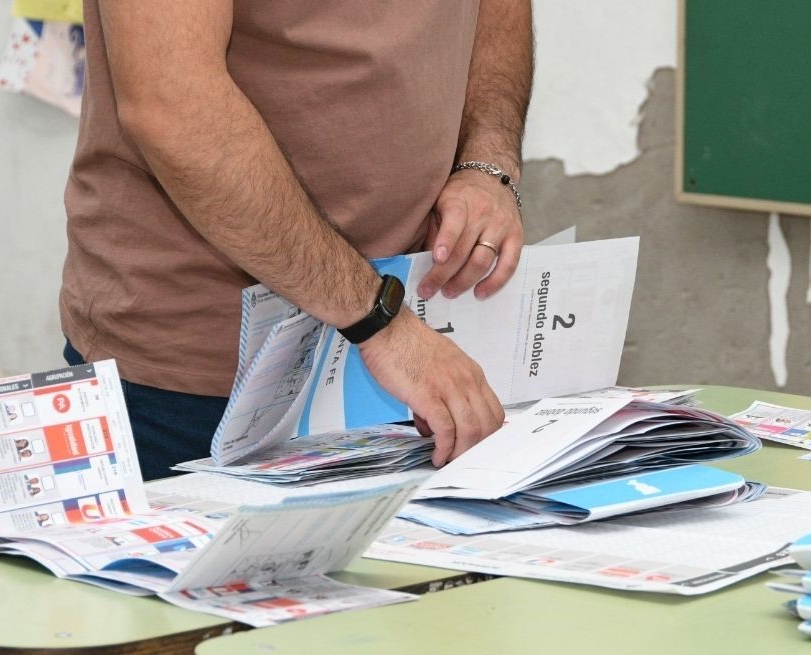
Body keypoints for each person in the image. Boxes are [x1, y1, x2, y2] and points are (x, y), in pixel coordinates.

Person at [59, 1, 533, 479]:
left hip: (417, 351)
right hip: (193, 373)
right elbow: (170, 106)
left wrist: (486, 162)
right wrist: (378, 320)